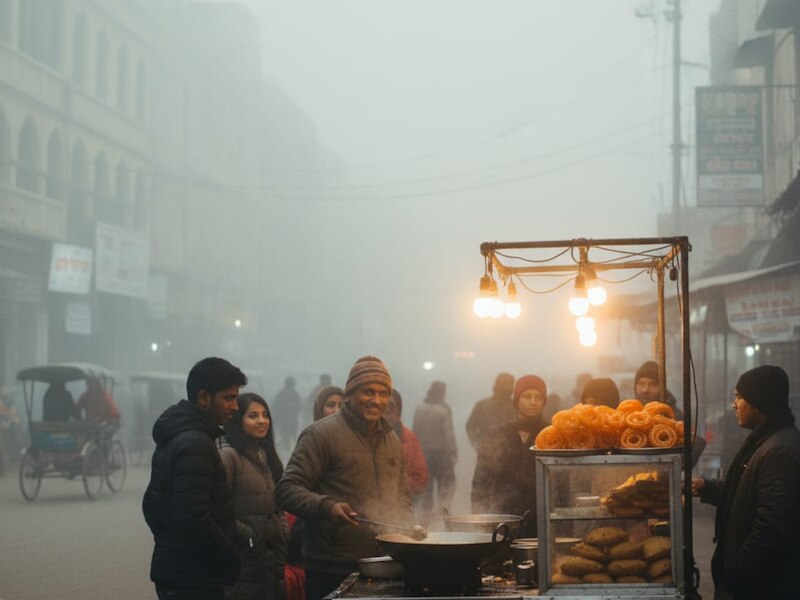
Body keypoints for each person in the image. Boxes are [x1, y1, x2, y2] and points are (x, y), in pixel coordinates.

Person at [275, 356, 412, 600]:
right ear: (349, 394)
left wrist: (408, 534)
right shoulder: (321, 434)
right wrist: (327, 507)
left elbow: (403, 497)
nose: (376, 400)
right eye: (368, 391)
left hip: (383, 565)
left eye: (383, 393)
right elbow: (286, 489)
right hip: (331, 568)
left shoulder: (392, 441)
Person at [691, 365, 800, 600]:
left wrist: (736, 574)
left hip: (761, 588)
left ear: (758, 402)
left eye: (739, 397)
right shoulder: (766, 442)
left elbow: (771, 529)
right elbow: (744, 494)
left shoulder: (779, 451)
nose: (734, 405)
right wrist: (706, 487)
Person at [142, 356, 247, 600]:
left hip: (180, 571)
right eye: (228, 398)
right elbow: (194, 520)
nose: (235, 407)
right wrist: (231, 554)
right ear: (203, 398)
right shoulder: (195, 443)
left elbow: (152, 505)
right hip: (193, 578)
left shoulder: (183, 434)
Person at [220, 393, 288, 600]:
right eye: (253, 416)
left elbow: (279, 505)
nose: (262, 421)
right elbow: (217, 509)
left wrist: (283, 529)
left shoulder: (267, 456)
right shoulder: (228, 456)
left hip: (273, 560)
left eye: (265, 415)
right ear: (238, 420)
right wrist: (249, 536)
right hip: (245, 561)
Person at [471, 375, 547, 529]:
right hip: (503, 516)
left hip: (542, 518)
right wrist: (479, 516)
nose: (533, 402)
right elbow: (481, 479)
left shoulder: (551, 435)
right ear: (517, 400)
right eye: (527, 396)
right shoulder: (498, 434)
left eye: (538, 397)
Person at [412, 381, 457, 524]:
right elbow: (449, 434)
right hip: (442, 456)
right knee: (445, 491)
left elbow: (414, 431)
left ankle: (425, 524)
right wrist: (453, 452)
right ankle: (443, 521)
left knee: (426, 494)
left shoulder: (420, 409)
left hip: (424, 455)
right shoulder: (444, 410)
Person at [387, 389, 429, 501]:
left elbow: (420, 476)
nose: (384, 413)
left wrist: (404, 485)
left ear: (398, 412)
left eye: (389, 408)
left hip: (404, 501)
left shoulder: (409, 437)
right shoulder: (362, 437)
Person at [465, 372, 515, 451]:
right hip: (488, 453)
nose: (502, 394)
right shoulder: (482, 406)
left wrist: (477, 443)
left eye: (504, 391)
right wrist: (477, 444)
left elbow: (470, 426)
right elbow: (470, 426)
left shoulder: (515, 407)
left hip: (507, 454)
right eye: (501, 390)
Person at [272, 377, 301, 452]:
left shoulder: (282, 393)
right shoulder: (294, 394)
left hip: (287, 421)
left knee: (287, 438)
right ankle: (289, 451)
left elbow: (275, 407)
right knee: (290, 438)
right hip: (288, 421)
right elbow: (299, 407)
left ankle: (288, 451)